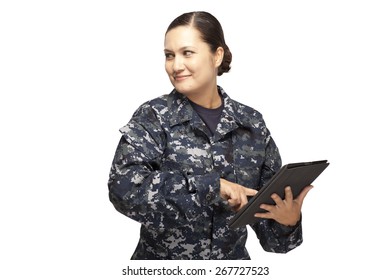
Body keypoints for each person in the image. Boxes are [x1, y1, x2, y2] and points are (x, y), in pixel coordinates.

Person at [107, 11, 313, 260]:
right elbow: (124, 189)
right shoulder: (154, 116)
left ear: (217, 55)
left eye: (187, 53)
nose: (176, 65)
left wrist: (287, 221)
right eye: (169, 55)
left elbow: (273, 240)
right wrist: (211, 187)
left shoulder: (251, 124)